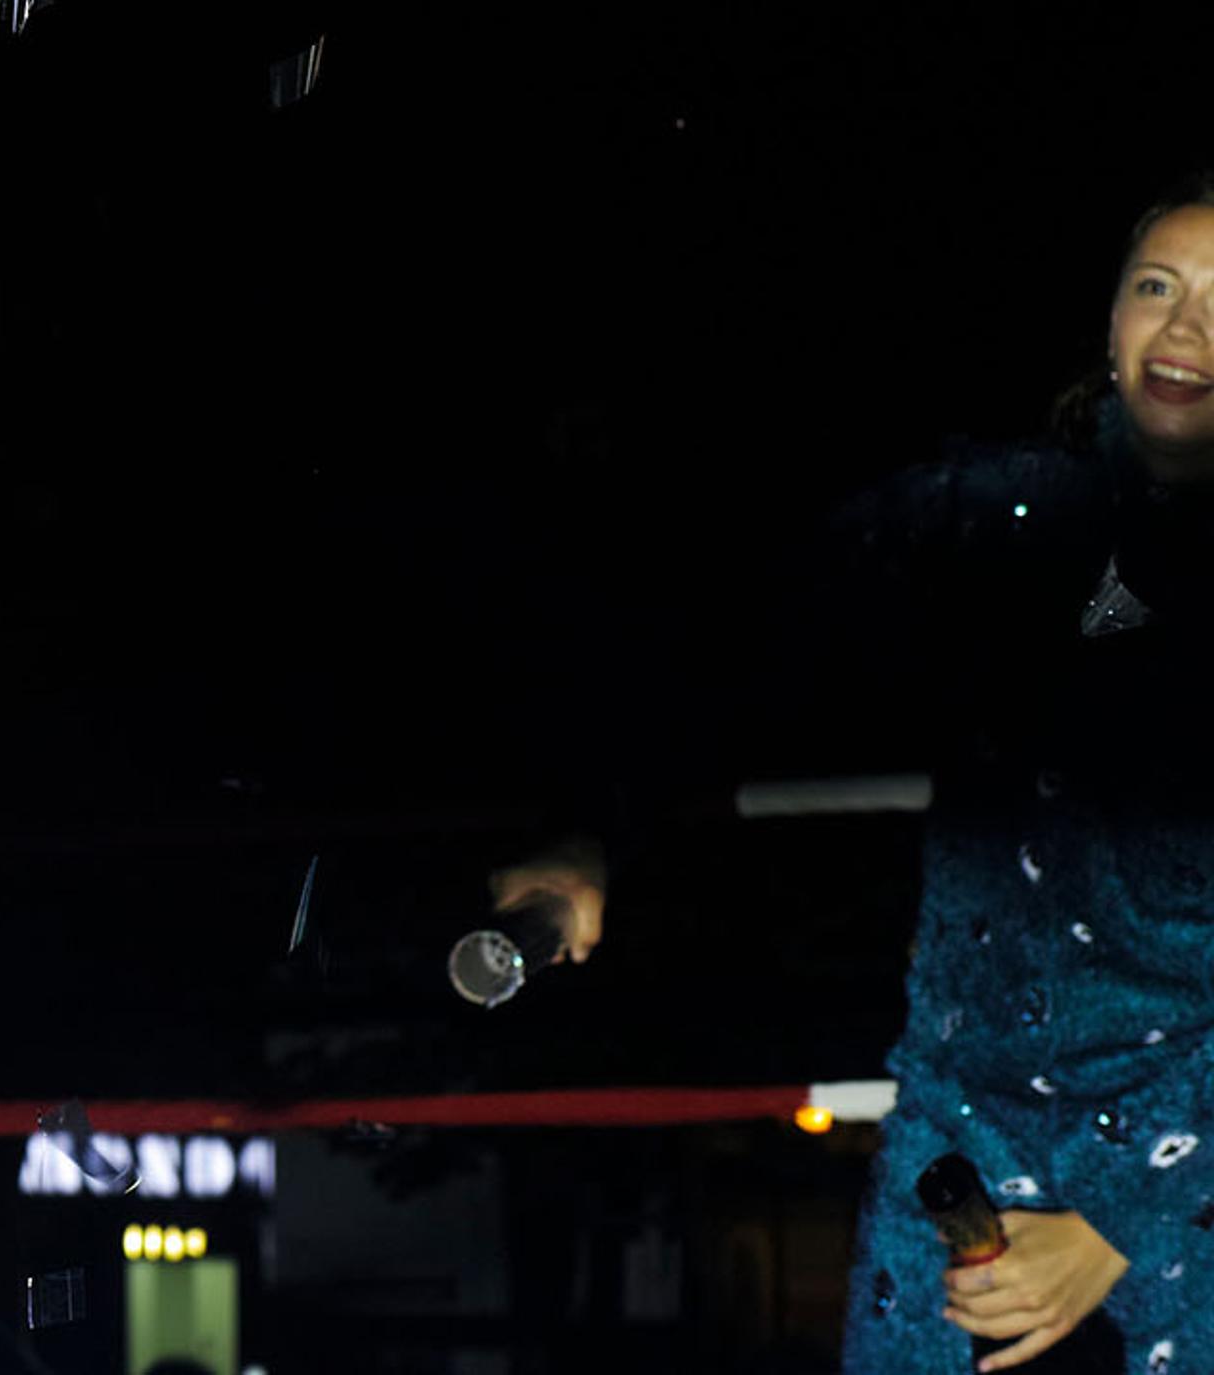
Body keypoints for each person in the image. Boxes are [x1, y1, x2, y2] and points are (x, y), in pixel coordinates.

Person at [504, 177, 1214, 1374]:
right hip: (964, 1125)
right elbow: (738, 641)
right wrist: (590, 832)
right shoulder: (992, 517)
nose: (1186, 328)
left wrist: (1123, 1219)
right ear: (1110, 320)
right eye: (1158, 286)